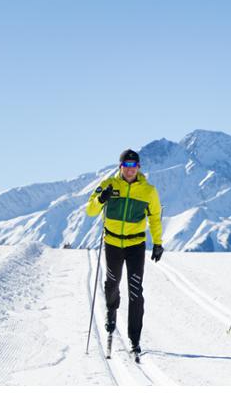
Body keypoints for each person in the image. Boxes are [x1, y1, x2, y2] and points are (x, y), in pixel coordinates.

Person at [86, 149, 163, 358]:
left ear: (139, 168)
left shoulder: (148, 191)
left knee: (136, 291)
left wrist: (158, 243)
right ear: (120, 167)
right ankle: (111, 311)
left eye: (134, 166)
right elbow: (90, 211)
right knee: (112, 284)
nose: (130, 170)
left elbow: (155, 217)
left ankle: (134, 338)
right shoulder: (109, 184)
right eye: (126, 166)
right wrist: (101, 199)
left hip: (135, 245)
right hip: (112, 243)